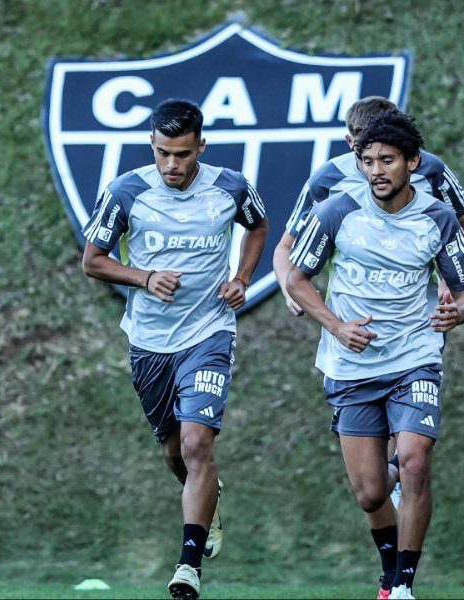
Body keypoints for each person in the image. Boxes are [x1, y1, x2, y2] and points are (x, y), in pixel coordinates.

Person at [272, 96, 464, 599]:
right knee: (370, 494)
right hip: (352, 361)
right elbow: (292, 258)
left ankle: (405, 586)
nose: (373, 167)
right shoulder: (333, 200)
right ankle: (390, 569)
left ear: (411, 159)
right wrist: (323, 315)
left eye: (385, 157)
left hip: (416, 352)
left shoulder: (435, 202)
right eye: (365, 157)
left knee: (414, 459)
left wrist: (454, 296)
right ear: (353, 150)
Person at [81, 99, 268, 600]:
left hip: (209, 333)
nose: (172, 166)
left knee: (196, 445)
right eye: (163, 153)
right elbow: (93, 261)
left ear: (200, 146)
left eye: (182, 154)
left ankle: (188, 567)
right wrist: (143, 277)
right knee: (173, 451)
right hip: (149, 342)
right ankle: (210, 497)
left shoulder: (230, 186)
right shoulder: (125, 192)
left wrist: (242, 278)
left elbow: (258, 226)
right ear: (151, 146)